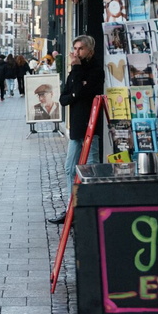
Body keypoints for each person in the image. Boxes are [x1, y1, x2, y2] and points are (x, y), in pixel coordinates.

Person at [48, 35, 105, 224]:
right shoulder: (75, 71)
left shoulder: (95, 70)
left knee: (91, 168)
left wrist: (77, 83)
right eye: (74, 48)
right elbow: (64, 98)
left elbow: (81, 92)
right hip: (76, 127)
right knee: (69, 168)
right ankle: (72, 209)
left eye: (80, 49)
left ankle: (93, 209)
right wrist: (76, 90)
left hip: (91, 126)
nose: (76, 52)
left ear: (89, 50)